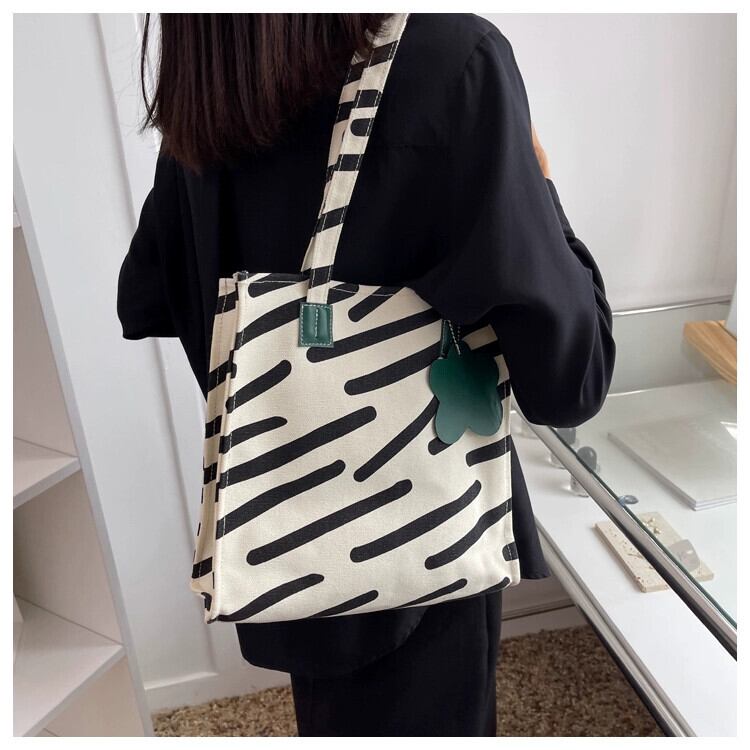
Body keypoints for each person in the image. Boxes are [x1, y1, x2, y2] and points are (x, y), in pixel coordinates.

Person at [117, 13, 616, 737]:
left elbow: (151, 296)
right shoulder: (452, 60)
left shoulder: (211, 79)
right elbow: (574, 379)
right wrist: (537, 184)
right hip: (421, 556)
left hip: (287, 526)